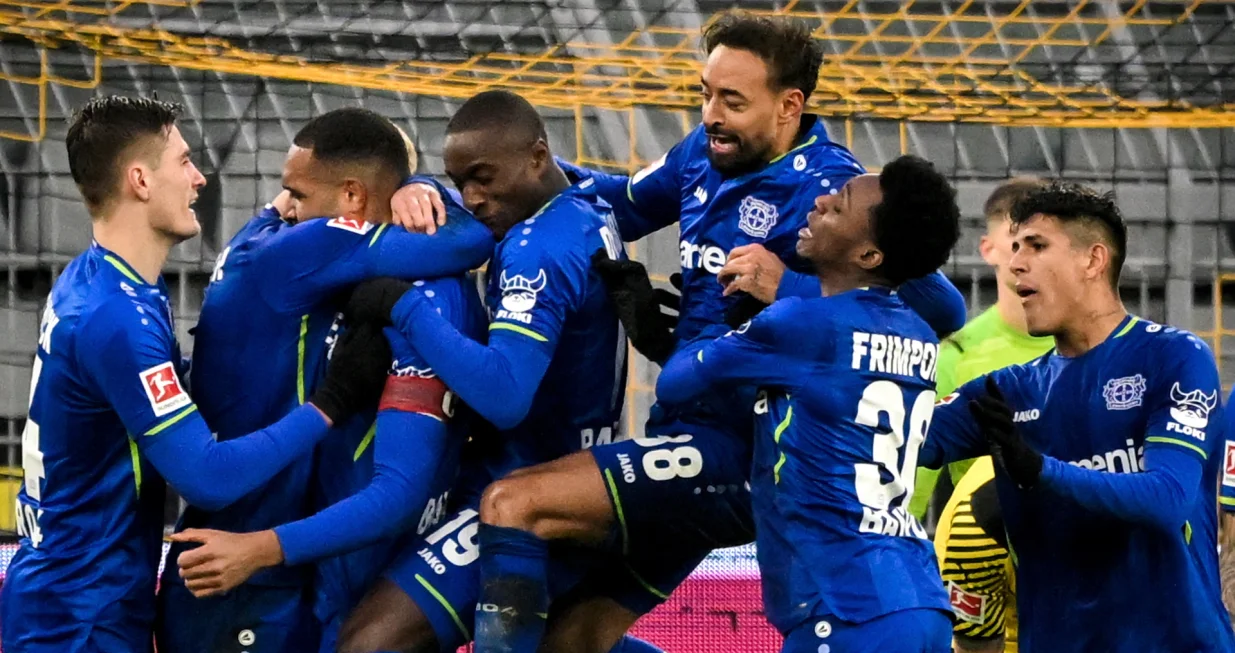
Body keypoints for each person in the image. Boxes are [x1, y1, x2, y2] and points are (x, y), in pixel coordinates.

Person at [387, 12, 968, 653]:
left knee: (515, 505)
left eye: (733, 101)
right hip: (685, 431)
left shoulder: (831, 190)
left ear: (789, 106)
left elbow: (940, 310)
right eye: (705, 93)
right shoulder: (704, 152)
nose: (711, 115)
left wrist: (786, 287)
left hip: (741, 452)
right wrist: (440, 187)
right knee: (575, 641)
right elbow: (612, 201)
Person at [1, 96, 392, 653]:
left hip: (81, 593)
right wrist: (332, 402)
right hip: (78, 618)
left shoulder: (105, 282)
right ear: (140, 180)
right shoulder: (116, 319)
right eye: (183, 161)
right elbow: (207, 476)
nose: (199, 178)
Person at [153, 107, 493, 653]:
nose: (289, 207)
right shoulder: (310, 252)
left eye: (299, 195)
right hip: (241, 569)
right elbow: (469, 240)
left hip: (264, 565)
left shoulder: (262, 237)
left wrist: (421, 186)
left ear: (353, 196)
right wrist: (428, 193)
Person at [334, 90, 659, 653]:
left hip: (529, 487)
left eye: (483, 178)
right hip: (572, 477)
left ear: (537, 156)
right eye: (459, 182)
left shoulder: (537, 248)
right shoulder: (583, 198)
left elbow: (506, 394)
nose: (473, 198)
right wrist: (422, 187)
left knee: (370, 642)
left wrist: (401, 306)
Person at [655, 154, 958, 651]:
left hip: (845, 609)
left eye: (838, 207)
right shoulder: (919, 333)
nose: (819, 201)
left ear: (868, 255)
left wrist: (709, 321)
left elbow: (674, 384)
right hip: (919, 599)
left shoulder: (801, 323)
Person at [920, 181, 1235, 651]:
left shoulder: (1173, 357)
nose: (1016, 263)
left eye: (1036, 246)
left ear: (1093, 260)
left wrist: (1040, 471)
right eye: (1014, 248)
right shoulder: (1010, 390)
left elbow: (1168, 498)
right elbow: (894, 438)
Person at [915, 177, 1051, 653]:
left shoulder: (1095, 357)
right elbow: (909, 499)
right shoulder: (955, 356)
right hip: (988, 583)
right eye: (1016, 242)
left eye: (1041, 244)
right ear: (989, 249)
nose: (1025, 258)